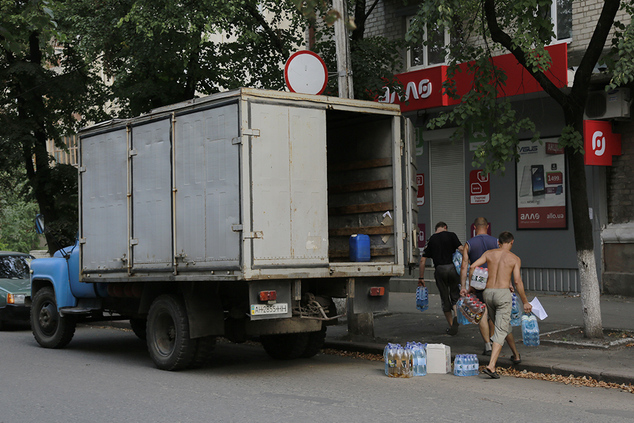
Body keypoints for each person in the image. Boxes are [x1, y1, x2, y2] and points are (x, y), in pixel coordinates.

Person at [469, 231, 532, 379]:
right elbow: (517, 281)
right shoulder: (514, 258)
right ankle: (491, 366)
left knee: (502, 325)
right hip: (503, 294)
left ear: (498, 242)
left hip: (488, 293)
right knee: (500, 329)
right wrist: (525, 302)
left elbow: (472, 266)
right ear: (511, 242)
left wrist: (473, 286)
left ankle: (516, 355)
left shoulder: (489, 253)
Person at [460, 217, 498, 355]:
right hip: (495, 282)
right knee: (493, 312)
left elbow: (464, 265)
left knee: (482, 312)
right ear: (487, 226)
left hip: (477, 283)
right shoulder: (496, 242)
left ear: (474, 227)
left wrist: (464, 286)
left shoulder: (469, 244)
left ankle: (487, 344)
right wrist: (509, 284)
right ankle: (494, 341)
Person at [419, 222, 462, 335]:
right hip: (452, 269)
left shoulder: (431, 239)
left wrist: (421, 277)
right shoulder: (451, 235)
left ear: (436, 229)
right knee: (454, 295)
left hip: (440, 270)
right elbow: (462, 249)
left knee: (444, 298)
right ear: (445, 227)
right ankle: (457, 315)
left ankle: (451, 326)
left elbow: (423, 260)